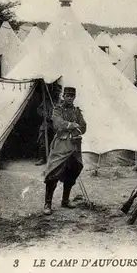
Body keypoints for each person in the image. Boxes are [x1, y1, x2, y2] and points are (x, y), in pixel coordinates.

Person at [42, 87, 87, 215]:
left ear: (74, 97)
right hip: (61, 145)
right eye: (67, 95)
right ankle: (48, 203)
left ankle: (65, 200)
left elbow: (84, 126)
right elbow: (58, 124)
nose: (69, 98)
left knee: (73, 170)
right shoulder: (57, 109)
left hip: (74, 147)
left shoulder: (76, 111)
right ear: (63, 96)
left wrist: (76, 128)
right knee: (53, 172)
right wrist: (73, 125)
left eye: (72, 96)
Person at [35, 84, 62, 166]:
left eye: (59, 92)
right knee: (42, 138)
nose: (57, 93)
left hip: (56, 124)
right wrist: (45, 115)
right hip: (47, 122)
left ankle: (55, 159)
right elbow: (39, 110)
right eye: (56, 91)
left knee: (57, 140)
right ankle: (42, 158)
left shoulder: (61, 102)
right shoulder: (47, 101)